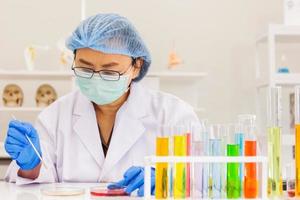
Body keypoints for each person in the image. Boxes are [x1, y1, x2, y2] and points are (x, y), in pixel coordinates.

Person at [4, 13, 199, 196]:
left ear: (136, 67)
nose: (96, 79)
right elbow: (32, 184)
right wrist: (31, 165)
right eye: (85, 68)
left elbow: (202, 179)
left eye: (109, 72)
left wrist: (169, 180)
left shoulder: (174, 114)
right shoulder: (55, 116)